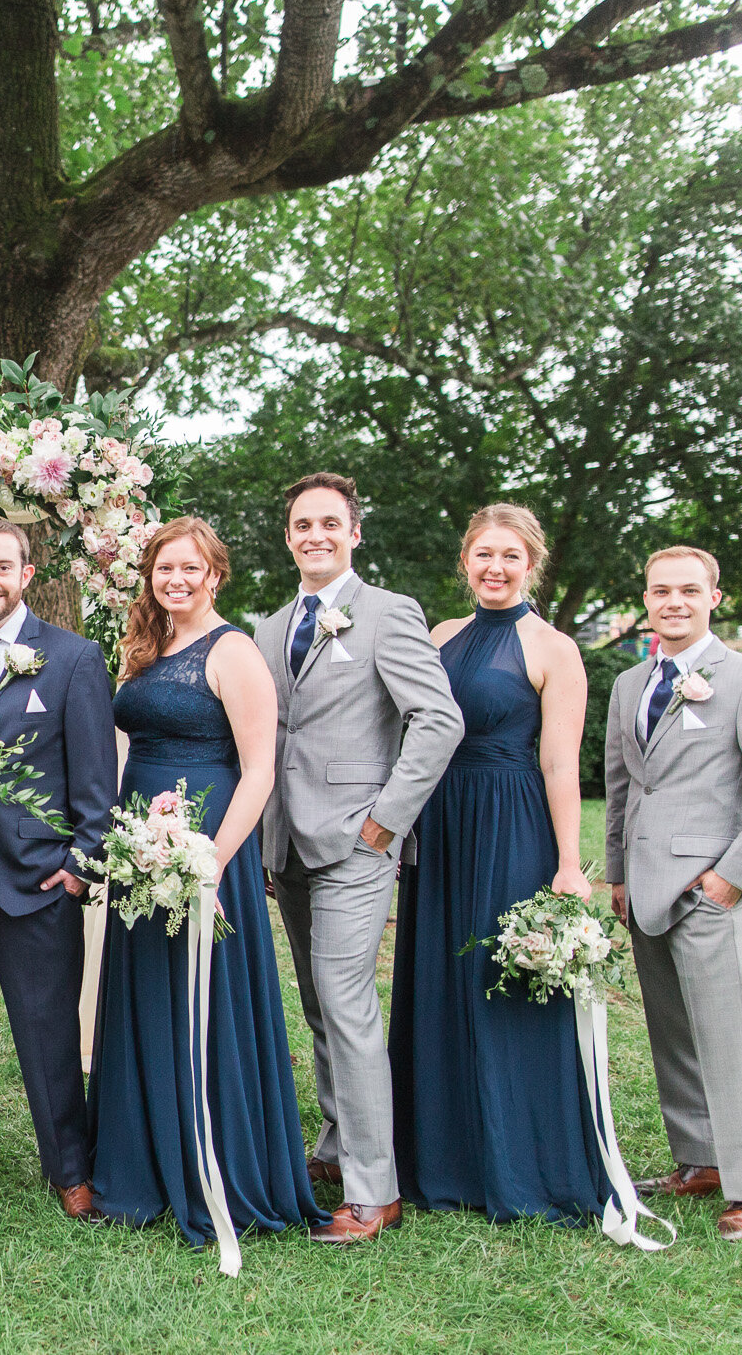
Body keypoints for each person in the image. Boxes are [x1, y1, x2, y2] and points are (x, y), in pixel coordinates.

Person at [90, 519, 324, 1243]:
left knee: (207, 996)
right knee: (142, 991)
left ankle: (212, 1164)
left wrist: (215, 859)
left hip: (205, 839)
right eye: (166, 568)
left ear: (215, 573)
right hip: (140, 835)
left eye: (191, 568)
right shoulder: (146, 644)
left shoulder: (235, 652)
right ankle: (141, 1167)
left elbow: (259, 770)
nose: (177, 580)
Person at [254, 472, 463, 1245]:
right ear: (288, 536)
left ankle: (376, 1187)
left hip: (357, 840)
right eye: (302, 523)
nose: (315, 534)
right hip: (289, 845)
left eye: (329, 523)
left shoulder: (389, 613)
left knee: (347, 1002)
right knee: (318, 1005)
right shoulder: (269, 626)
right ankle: (338, 1144)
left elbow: (437, 720)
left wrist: (385, 821)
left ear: (354, 532)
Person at [390, 505, 606, 1223]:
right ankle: (439, 1156)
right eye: (484, 554)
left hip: (510, 821)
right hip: (438, 821)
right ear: (465, 560)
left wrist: (570, 862)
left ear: (531, 562)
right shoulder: (440, 636)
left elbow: (558, 762)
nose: (495, 567)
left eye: (510, 555)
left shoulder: (554, 647)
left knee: (500, 981)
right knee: (438, 979)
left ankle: (517, 1160)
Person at [605, 546, 742, 1242]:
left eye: (689, 591)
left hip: (710, 889)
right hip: (645, 888)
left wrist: (734, 877)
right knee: (673, 1035)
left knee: (728, 1041)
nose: (674, 602)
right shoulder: (630, 684)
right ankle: (700, 1160)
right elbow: (622, 787)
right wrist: (618, 873)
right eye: (661, 590)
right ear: (646, 598)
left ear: (714, 598)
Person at [0, 518, 117, 1227]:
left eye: (3, 567)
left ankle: (70, 1168)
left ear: (28, 574)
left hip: (38, 882)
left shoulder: (72, 658)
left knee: (48, 1030)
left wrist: (77, 867)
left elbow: (96, 782)